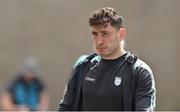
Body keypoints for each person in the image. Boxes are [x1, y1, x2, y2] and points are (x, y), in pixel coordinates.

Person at [58, 7, 156, 111]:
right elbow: (65, 108)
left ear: (121, 34)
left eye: (105, 34)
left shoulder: (139, 72)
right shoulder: (83, 66)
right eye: (95, 34)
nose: (99, 41)